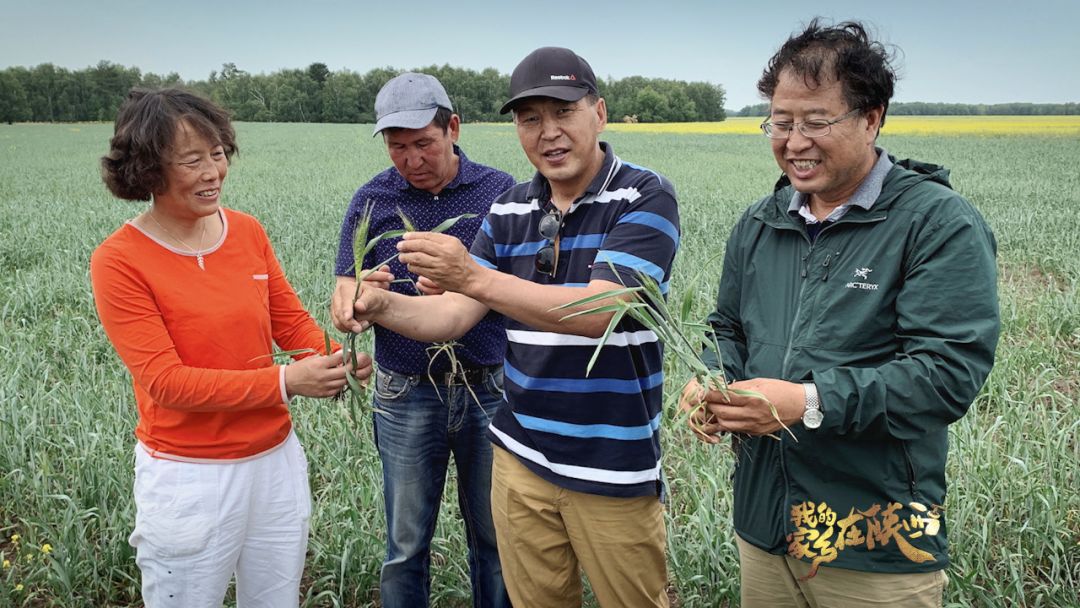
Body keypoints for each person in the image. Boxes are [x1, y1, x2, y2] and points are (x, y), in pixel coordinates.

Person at [334, 47, 680, 607]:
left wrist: (470, 275)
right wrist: (376, 306)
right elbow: (451, 316)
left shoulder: (644, 196)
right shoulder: (512, 208)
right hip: (520, 457)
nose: (548, 132)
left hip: (612, 464)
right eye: (530, 119)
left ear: (599, 112)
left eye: (563, 112)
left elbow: (600, 312)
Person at [678, 20, 1000, 608]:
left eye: (816, 122)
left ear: (872, 118)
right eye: (780, 121)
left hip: (878, 543)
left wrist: (806, 404)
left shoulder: (935, 222)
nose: (794, 141)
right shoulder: (759, 223)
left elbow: (946, 375)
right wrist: (711, 378)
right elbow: (727, 327)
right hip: (767, 526)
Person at [90, 88, 373, 608]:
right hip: (189, 477)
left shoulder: (246, 231)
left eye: (217, 153)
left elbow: (289, 324)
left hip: (275, 462)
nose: (212, 172)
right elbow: (166, 383)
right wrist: (288, 382)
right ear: (149, 170)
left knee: (275, 599)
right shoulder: (120, 260)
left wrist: (336, 357)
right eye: (191, 160)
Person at [332, 72, 514, 608]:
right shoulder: (371, 200)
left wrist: (463, 283)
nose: (411, 159)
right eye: (397, 147)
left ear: (453, 128)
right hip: (404, 392)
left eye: (423, 144)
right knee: (406, 544)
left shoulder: (498, 192)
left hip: (488, 388)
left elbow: (510, 288)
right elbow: (345, 294)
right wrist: (357, 306)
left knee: (496, 538)